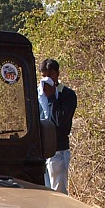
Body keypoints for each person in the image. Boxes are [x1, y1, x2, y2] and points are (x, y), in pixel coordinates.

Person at [38, 58, 77, 194]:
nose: (46, 80)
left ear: (57, 74)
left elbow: (61, 122)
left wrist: (52, 99)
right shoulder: (38, 94)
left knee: (58, 193)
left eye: (49, 76)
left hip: (58, 150)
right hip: (40, 152)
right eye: (44, 76)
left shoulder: (67, 95)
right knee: (43, 193)